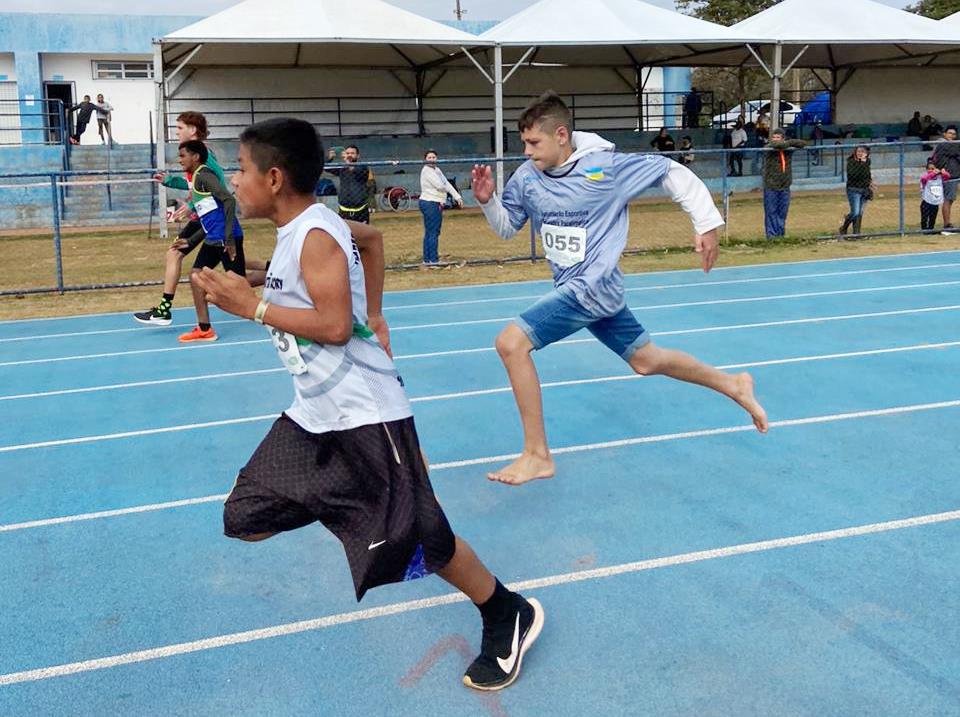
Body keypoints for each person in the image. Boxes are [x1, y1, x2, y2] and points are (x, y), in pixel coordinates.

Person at [193, 117, 544, 691]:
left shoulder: (315, 235)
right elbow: (373, 243)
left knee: (425, 536)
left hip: (366, 413)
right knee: (246, 516)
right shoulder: (304, 230)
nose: (236, 179)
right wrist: (370, 311)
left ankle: (507, 613)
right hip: (314, 415)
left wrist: (250, 306)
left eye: (242, 169)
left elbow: (332, 324)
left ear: (275, 177)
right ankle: (364, 506)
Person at [470, 91, 768, 486]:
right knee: (647, 360)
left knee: (511, 343)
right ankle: (734, 383)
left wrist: (706, 224)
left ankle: (537, 454)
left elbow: (671, 172)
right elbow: (508, 227)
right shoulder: (527, 177)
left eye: (533, 143)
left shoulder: (605, 168)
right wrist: (488, 202)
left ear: (562, 135)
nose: (526, 152)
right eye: (523, 143)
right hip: (585, 290)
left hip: (591, 288)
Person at [135, 111, 267, 326]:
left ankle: (167, 310)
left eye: (179, 128)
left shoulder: (204, 157)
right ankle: (272, 270)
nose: (176, 132)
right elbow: (194, 186)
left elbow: (215, 189)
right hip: (208, 218)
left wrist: (192, 205)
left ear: (193, 130)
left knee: (185, 259)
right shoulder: (192, 159)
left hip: (212, 217)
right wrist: (170, 181)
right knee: (233, 274)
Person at [173, 140, 245, 342]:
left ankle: (274, 276)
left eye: (182, 156)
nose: (179, 160)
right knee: (197, 275)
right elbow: (208, 215)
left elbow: (229, 200)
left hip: (224, 236)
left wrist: (229, 238)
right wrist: (191, 240)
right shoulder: (195, 177)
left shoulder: (204, 175)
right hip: (214, 236)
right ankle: (205, 328)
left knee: (238, 285)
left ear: (195, 157)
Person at [419, 149, 463, 266]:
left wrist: (457, 197)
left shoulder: (437, 170)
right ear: (425, 159)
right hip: (430, 202)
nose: (432, 159)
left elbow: (446, 184)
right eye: (429, 157)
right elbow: (439, 185)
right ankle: (432, 260)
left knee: (432, 232)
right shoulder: (426, 171)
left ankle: (428, 259)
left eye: (434, 157)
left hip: (435, 202)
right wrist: (445, 187)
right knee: (432, 232)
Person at [762, 128, 805, 238]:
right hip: (771, 186)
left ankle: (780, 235)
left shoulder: (787, 149)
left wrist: (788, 143)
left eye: (778, 138)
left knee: (782, 212)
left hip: (785, 186)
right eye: (774, 137)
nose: (775, 140)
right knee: (771, 212)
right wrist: (783, 144)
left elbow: (802, 143)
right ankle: (771, 236)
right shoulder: (768, 148)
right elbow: (776, 146)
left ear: (783, 139)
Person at [325, 144, 373, 224]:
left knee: (361, 235)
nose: (349, 155)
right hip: (344, 211)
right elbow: (326, 167)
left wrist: (347, 161)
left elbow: (354, 170)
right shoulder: (342, 168)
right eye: (347, 153)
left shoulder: (363, 167)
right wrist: (329, 159)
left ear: (358, 156)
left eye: (352, 153)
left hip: (360, 211)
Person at [839, 145, 875, 236]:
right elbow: (853, 175)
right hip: (853, 189)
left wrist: (870, 182)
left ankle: (856, 233)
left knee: (860, 213)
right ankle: (844, 227)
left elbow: (867, 174)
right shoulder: (851, 162)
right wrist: (861, 163)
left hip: (864, 190)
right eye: (858, 151)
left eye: (863, 152)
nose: (860, 153)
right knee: (855, 212)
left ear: (867, 153)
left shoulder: (867, 161)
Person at [932, 125, 960, 234]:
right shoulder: (944, 144)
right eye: (949, 133)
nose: (952, 136)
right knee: (948, 200)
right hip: (949, 176)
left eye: (954, 134)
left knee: (950, 200)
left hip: (953, 175)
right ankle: (947, 225)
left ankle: (947, 224)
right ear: (945, 134)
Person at [920, 159, 949, 233]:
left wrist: (943, 172)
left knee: (933, 218)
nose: (930, 170)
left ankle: (931, 229)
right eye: (929, 169)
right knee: (924, 217)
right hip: (926, 202)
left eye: (932, 169)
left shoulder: (940, 178)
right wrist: (933, 173)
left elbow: (947, 176)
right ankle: (924, 230)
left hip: (935, 202)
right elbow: (924, 179)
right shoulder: (925, 177)